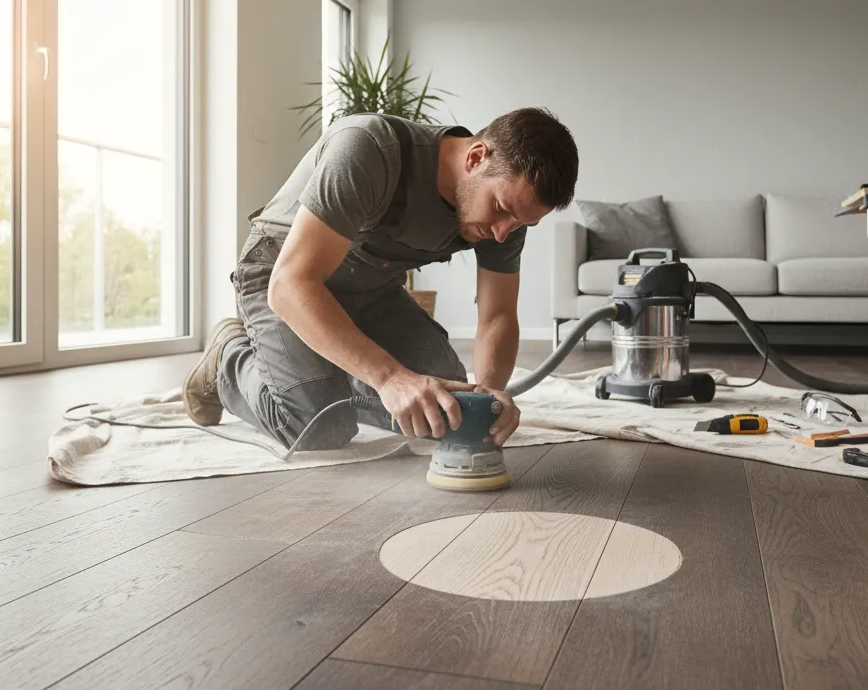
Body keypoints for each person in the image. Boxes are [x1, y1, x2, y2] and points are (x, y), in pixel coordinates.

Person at [182, 106, 579, 452]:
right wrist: (389, 378)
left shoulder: (506, 218)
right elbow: (291, 284)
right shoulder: (371, 149)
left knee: (447, 411)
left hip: (370, 289)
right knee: (320, 429)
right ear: (477, 157)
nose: (501, 233)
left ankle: (330, 371)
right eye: (500, 209)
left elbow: (497, 317)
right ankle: (227, 359)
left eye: (521, 223)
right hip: (282, 277)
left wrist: (490, 398)